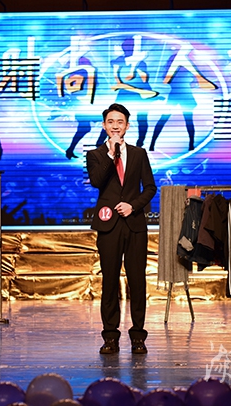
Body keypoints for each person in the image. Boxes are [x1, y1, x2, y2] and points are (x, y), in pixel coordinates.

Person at [86, 103, 157, 354]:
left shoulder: (139, 154)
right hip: (108, 226)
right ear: (104, 126)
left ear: (127, 126)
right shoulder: (95, 155)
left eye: (120, 122)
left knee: (137, 281)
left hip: (134, 224)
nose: (115, 126)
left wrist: (133, 206)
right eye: (111, 122)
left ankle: (138, 336)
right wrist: (111, 154)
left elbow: (150, 187)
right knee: (110, 281)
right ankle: (110, 336)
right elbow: (97, 182)